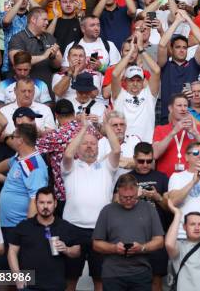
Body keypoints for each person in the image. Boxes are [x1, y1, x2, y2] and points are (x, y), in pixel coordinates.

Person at [62, 117, 121, 291]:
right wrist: (83, 128)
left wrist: (106, 126)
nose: (89, 146)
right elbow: (67, 153)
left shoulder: (107, 167)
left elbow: (116, 149)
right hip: (72, 228)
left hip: (100, 230)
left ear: (98, 147)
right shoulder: (69, 167)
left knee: (100, 280)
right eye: (85, 143)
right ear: (78, 146)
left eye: (93, 144)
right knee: (70, 279)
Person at [92, 173, 165, 291]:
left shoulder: (148, 209)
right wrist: (114, 248)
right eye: (124, 197)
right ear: (118, 192)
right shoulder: (107, 211)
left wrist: (142, 248)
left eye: (132, 196)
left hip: (141, 272)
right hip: (113, 274)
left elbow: (159, 241)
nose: (128, 200)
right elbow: (96, 244)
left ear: (137, 191)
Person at [7, 186, 81, 290]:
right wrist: (17, 276)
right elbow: (12, 251)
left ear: (55, 203)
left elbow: (77, 251)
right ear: (36, 203)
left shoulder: (65, 227)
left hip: (56, 286)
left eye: (49, 202)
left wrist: (66, 249)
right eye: (41, 202)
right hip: (29, 285)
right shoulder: (24, 226)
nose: (45, 206)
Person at [119, 142, 169, 291]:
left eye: (149, 161)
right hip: (131, 234)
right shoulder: (125, 178)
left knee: (157, 279)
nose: (145, 164)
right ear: (134, 159)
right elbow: (115, 203)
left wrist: (157, 197)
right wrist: (134, 197)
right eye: (141, 161)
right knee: (130, 280)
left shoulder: (161, 177)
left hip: (156, 235)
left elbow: (169, 207)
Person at [111, 37, 160, 143]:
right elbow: (115, 74)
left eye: (138, 80)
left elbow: (156, 70)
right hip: (122, 144)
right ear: (125, 81)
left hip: (145, 145)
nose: (135, 83)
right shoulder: (120, 95)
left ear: (143, 82)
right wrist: (130, 54)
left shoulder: (149, 95)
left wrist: (141, 49)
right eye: (131, 80)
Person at [7, 7, 63, 91]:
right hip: (24, 88)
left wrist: (53, 57)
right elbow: (16, 60)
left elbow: (58, 65)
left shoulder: (49, 37)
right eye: (44, 20)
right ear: (33, 19)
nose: (47, 23)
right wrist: (44, 56)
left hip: (45, 87)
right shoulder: (18, 38)